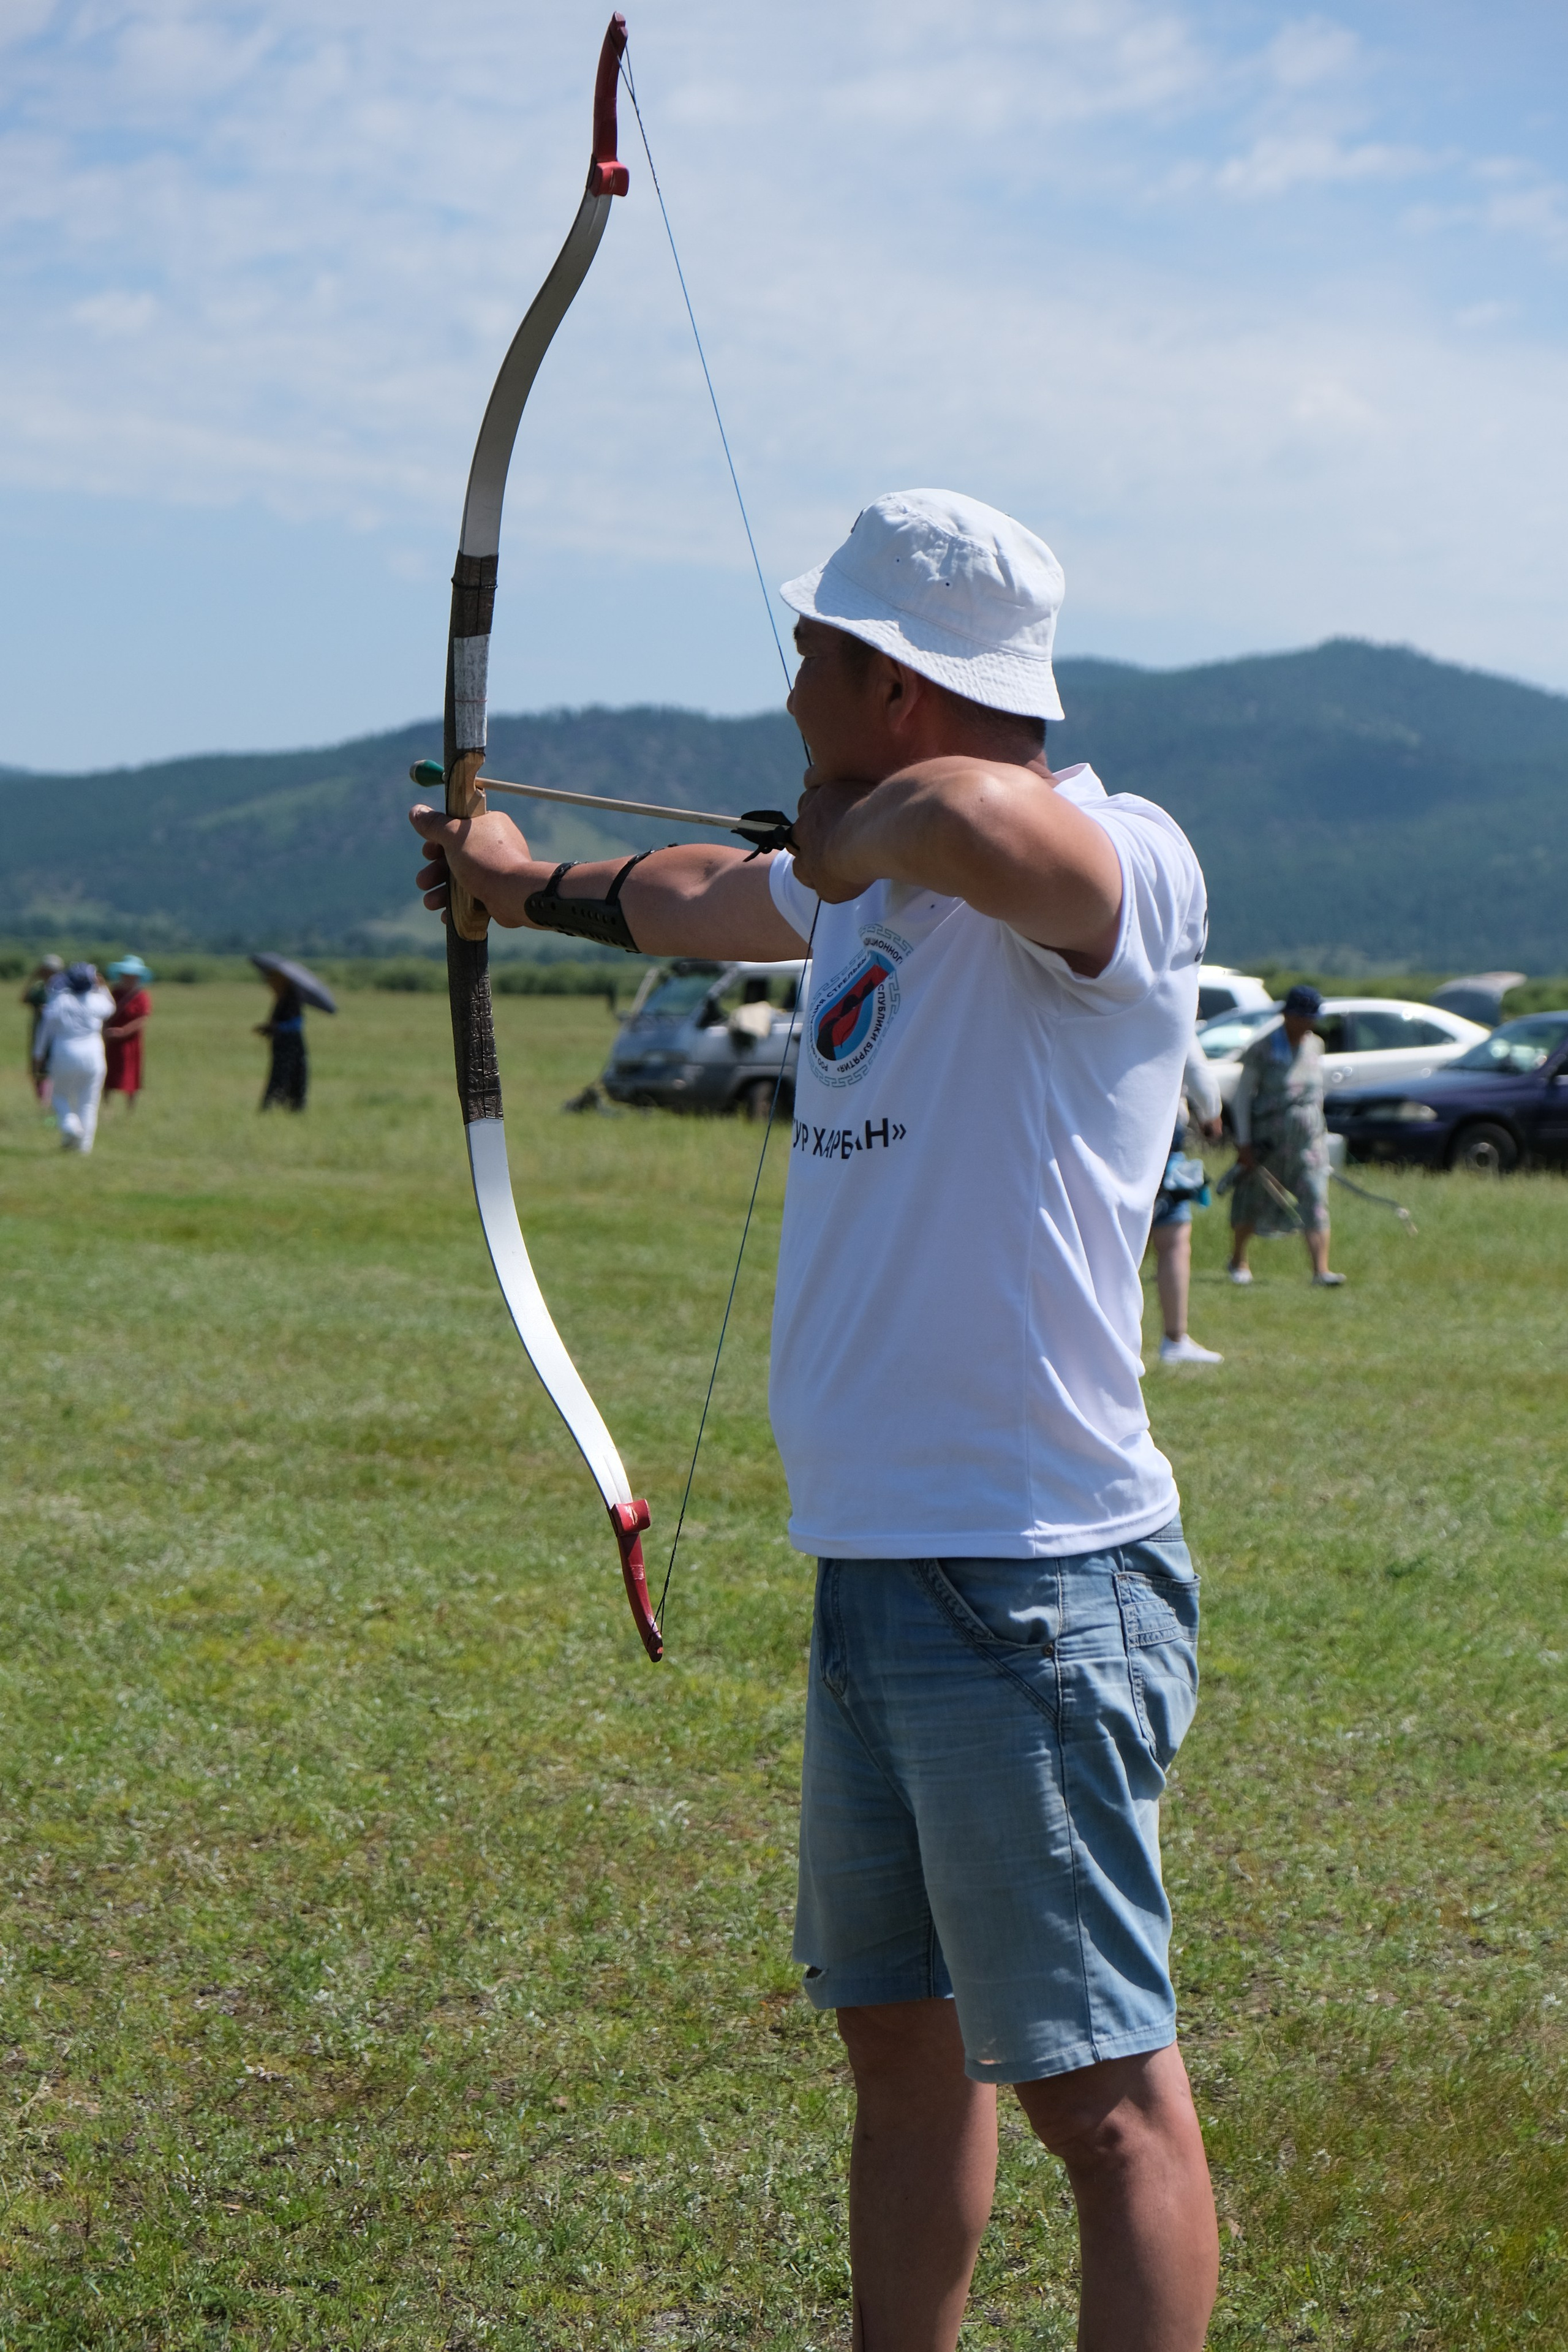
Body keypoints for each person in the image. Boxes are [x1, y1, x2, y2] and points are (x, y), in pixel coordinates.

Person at [411, 489, 1218, 2352]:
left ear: (894, 682)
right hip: (878, 1564)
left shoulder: (1115, 856)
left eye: (814, 656)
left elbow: (954, 819)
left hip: (1030, 1578)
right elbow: (704, 894)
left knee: (1101, 2095)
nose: (787, 687)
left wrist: (857, 834)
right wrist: (518, 880)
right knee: (900, 2044)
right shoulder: (872, 875)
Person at [1226, 983, 1345, 1287]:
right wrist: (1244, 1142)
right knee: (1253, 1197)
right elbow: (1242, 1097)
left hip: (1308, 1143)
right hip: (1268, 1141)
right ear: (1288, 1016)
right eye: (1303, 1017)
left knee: (1315, 1195)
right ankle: (1239, 1259)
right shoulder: (1262, 1048)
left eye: (1312, 1018)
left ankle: (1321, 1270)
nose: (1309, 1024)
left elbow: (1316, 1094)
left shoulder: (1315, 1045)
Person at [1146, 1035, 1226, 1365]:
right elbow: (1200, 1077)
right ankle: (1175, 1338)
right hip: (1157, 1136)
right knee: (1174, 1238)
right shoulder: (1168, 997)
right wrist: (1211, 1115)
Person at [32, 962, 115, 1153]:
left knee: (59, 1095)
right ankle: (84, 1147)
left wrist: (38, 1054)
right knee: (89, 1101)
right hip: (94, 1053)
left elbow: (45, 1030)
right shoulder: (96, 1000)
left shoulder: (60, 1000)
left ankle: (71, 1126)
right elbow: (111, 1007)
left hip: (65, 1051)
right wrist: (102, 988)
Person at [104, 957, 154, 1111]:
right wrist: (106, 1030)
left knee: (131, 1073)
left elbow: (142, 1019)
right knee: (107, 1072)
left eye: (132, 975)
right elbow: (104, 1013)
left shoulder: (141, 996)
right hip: (111, 1041)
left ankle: (130, 1109)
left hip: (131, 1042)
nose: (128, 978)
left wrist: (124, 1032)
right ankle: (107, 1107)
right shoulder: (113, 993)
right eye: (126, 974)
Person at [257, 969, 308, 1110]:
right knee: (280, 1075)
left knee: (291, 1075)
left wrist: (275, 1027)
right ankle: (275, 1106)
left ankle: (291, 1107)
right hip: (281, 1043)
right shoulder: (281, 999)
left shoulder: (291, 999)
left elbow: (296, 1023)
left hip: (291, 1044)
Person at [20, 955, 64, 1106]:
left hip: (56, 1033)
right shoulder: (39, 988)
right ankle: (42, 1101)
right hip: (38, 1031)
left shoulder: (62, 989)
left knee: (54, 1066)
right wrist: (32, 978)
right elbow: (24, 999)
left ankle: (52, 1099)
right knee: (37, 1067)